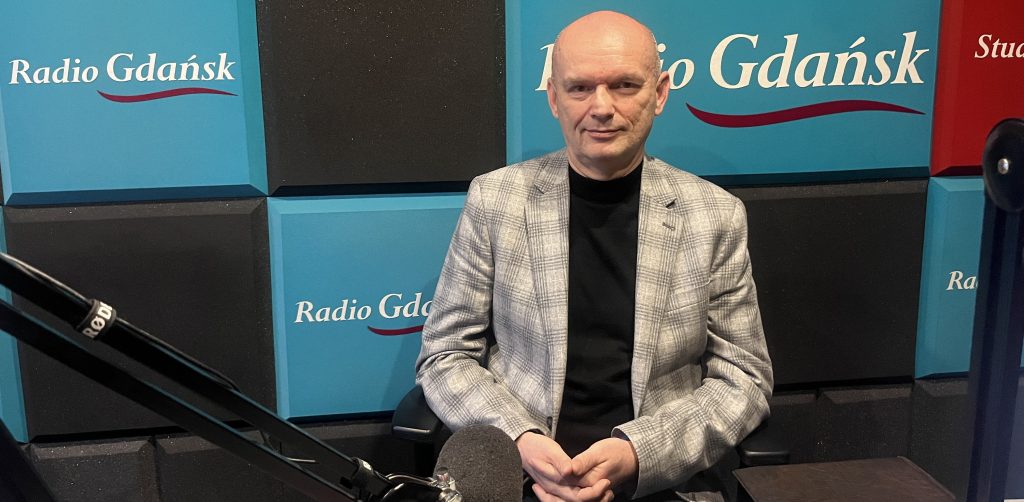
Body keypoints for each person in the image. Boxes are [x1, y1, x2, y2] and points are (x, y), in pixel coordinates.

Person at [416, 10, 772, 501]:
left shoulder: (715, 215)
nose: (601, 107)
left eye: (624, 85)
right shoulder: (495, 201)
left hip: (661, 485)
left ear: (660, 93)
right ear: (554, 98)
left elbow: (745, 377)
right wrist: (520, 440)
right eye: (580, 88)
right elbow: (445, 354)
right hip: (523, 478)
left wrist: (640, 453)